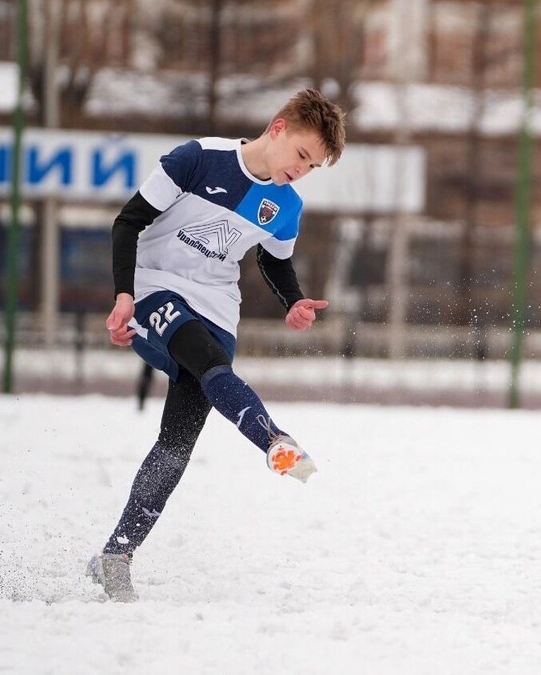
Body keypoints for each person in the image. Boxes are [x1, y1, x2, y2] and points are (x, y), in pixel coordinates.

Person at [87, 89, 347, 601]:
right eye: (301, 155)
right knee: (204, 359)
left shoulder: (285, 204)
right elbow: (129, 221)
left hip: (218, 309)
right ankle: (274, 440)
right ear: (277, 128)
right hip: (154, 287)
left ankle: (115, 556)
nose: (303, 170)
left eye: (314, 166)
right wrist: (122, 295)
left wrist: (291, 301)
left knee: (178, 440)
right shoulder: (198, 158)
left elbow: (274, 260)